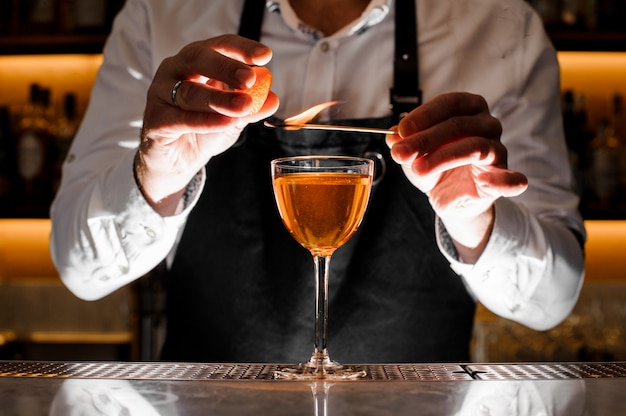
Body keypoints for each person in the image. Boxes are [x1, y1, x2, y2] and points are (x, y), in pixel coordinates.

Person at [50, 0, 585, 363]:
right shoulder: (160, 14)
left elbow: (550, 301)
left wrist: (475, 218)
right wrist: (158, 173)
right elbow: (81, 269)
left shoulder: (499, 24)